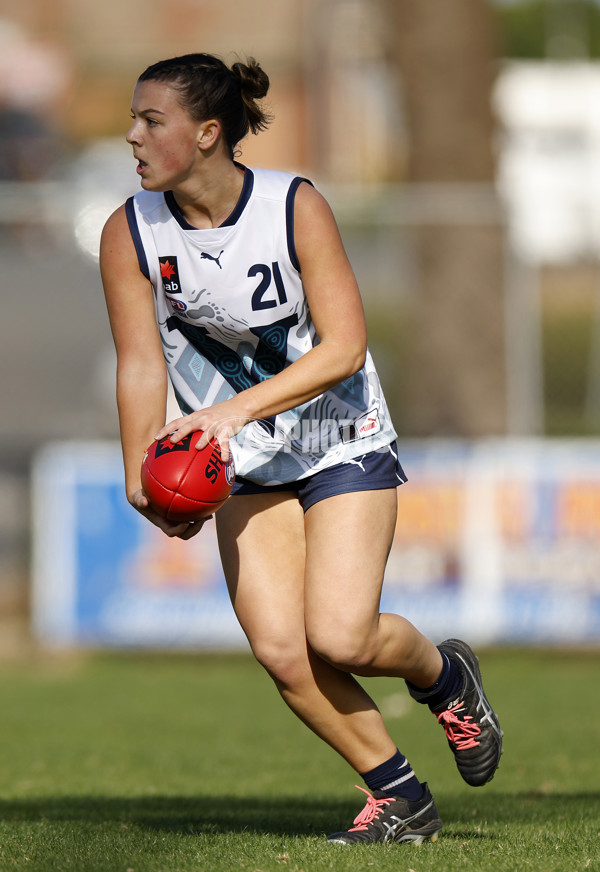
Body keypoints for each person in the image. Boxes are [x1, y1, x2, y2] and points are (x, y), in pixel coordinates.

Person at [100, 52, 503, 846]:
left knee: (342, 637)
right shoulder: (129, 231)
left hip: (338, 436)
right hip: (242, 462)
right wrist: (138, 470)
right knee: (285, 652)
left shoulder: (293, 205)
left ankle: (445, 677)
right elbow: (141, 361)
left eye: (152, 121)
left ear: (209, 133)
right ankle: (399, 797)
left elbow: (345, 346)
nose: (132, 136)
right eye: (135, 119)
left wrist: (229, 415)